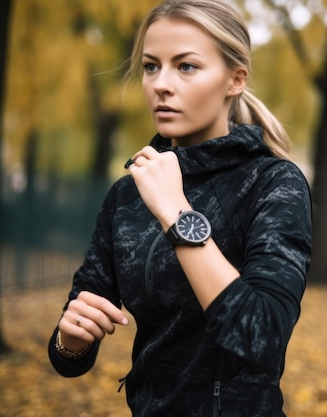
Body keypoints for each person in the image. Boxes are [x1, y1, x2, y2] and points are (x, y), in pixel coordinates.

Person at [47, 0, 312, 415]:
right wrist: (72, 339)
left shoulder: (272, 183)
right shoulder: (129, 193)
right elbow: (68, 354)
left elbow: (263, 335)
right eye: (151, 66)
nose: (161, 85)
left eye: (186, 66)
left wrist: (176, 213)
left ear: (235, 80)